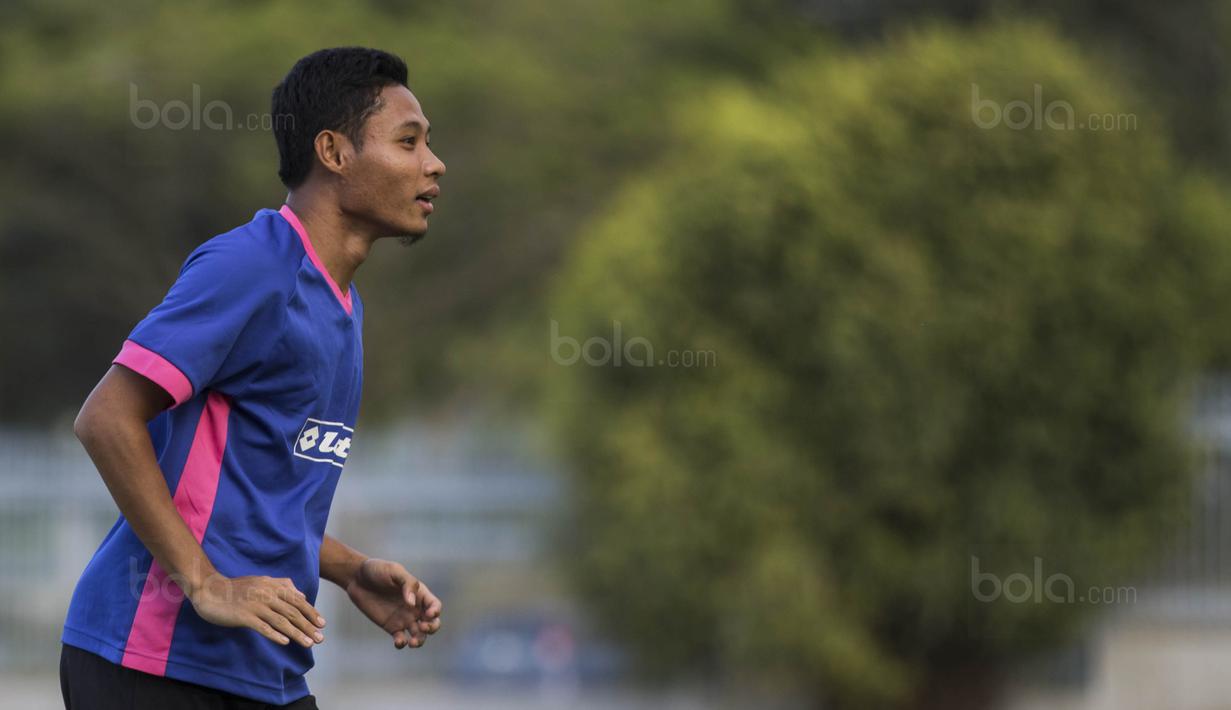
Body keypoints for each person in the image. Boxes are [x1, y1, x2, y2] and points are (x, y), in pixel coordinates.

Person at [60, 47, 446, 709]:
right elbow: (105, 418)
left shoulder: (343, 308)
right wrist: (205, 583)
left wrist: (351, 570)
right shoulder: (252, 266)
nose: (433, 164)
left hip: (263, 668)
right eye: (407, 142)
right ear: (333, 151)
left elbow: (251, 496)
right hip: (153, 664)